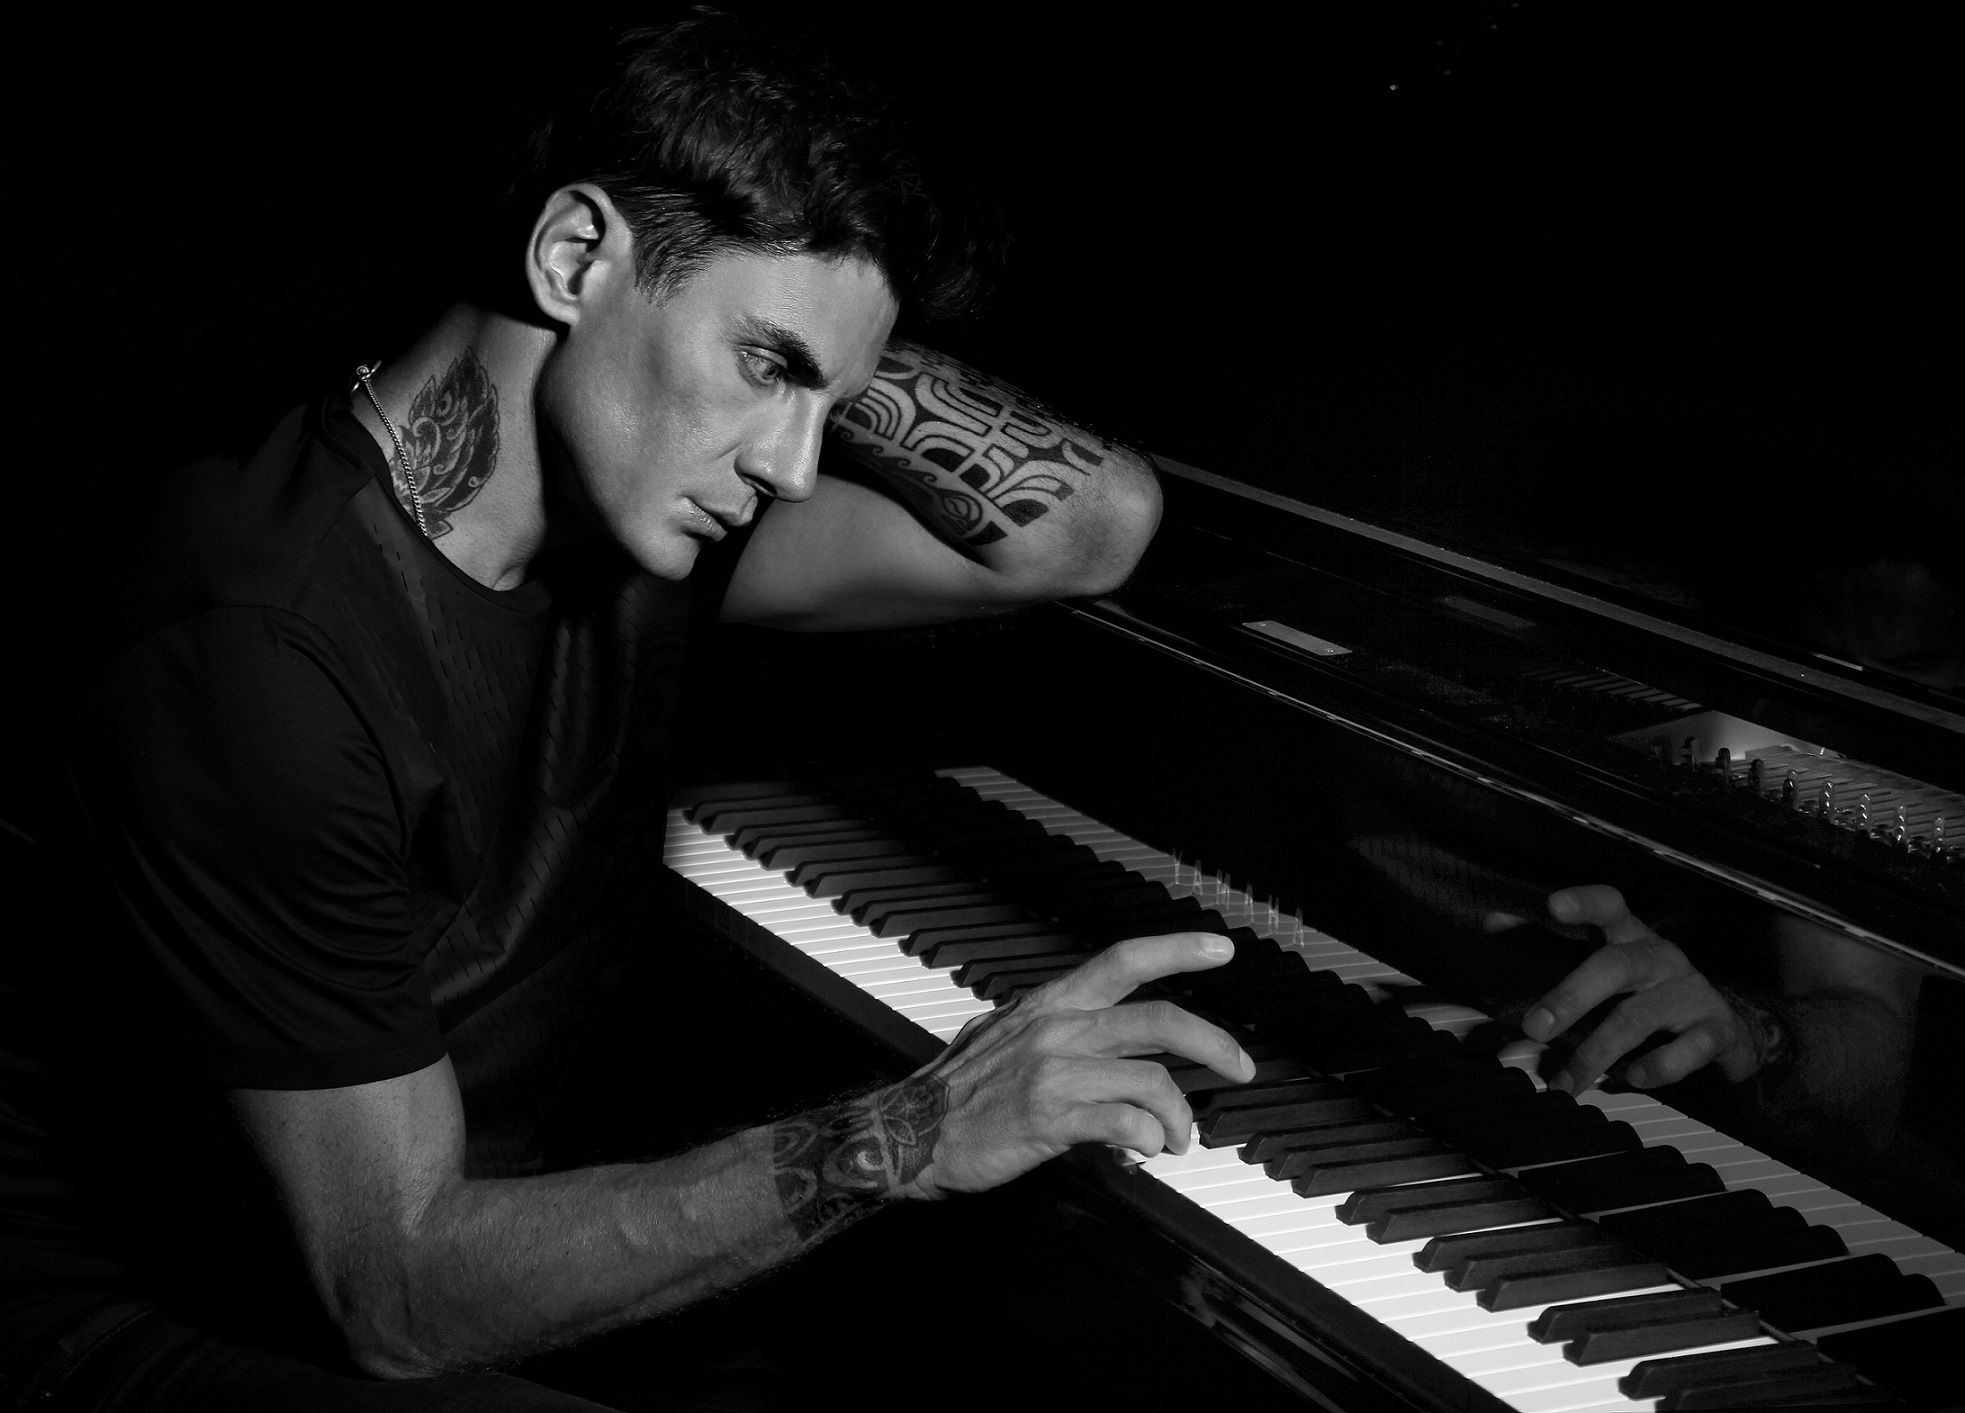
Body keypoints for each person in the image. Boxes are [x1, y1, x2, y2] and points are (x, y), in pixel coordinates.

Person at [0, 10, 1254, 1410]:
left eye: (825, 400)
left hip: (464, 1250)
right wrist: (913, 1131)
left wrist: (813, 323)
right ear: (571, 257)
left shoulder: (637, 521)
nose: (793, 470)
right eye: (765, 367)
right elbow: (392, 1294)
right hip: (136, 1329)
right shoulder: (254, 650)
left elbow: (1087, 526)